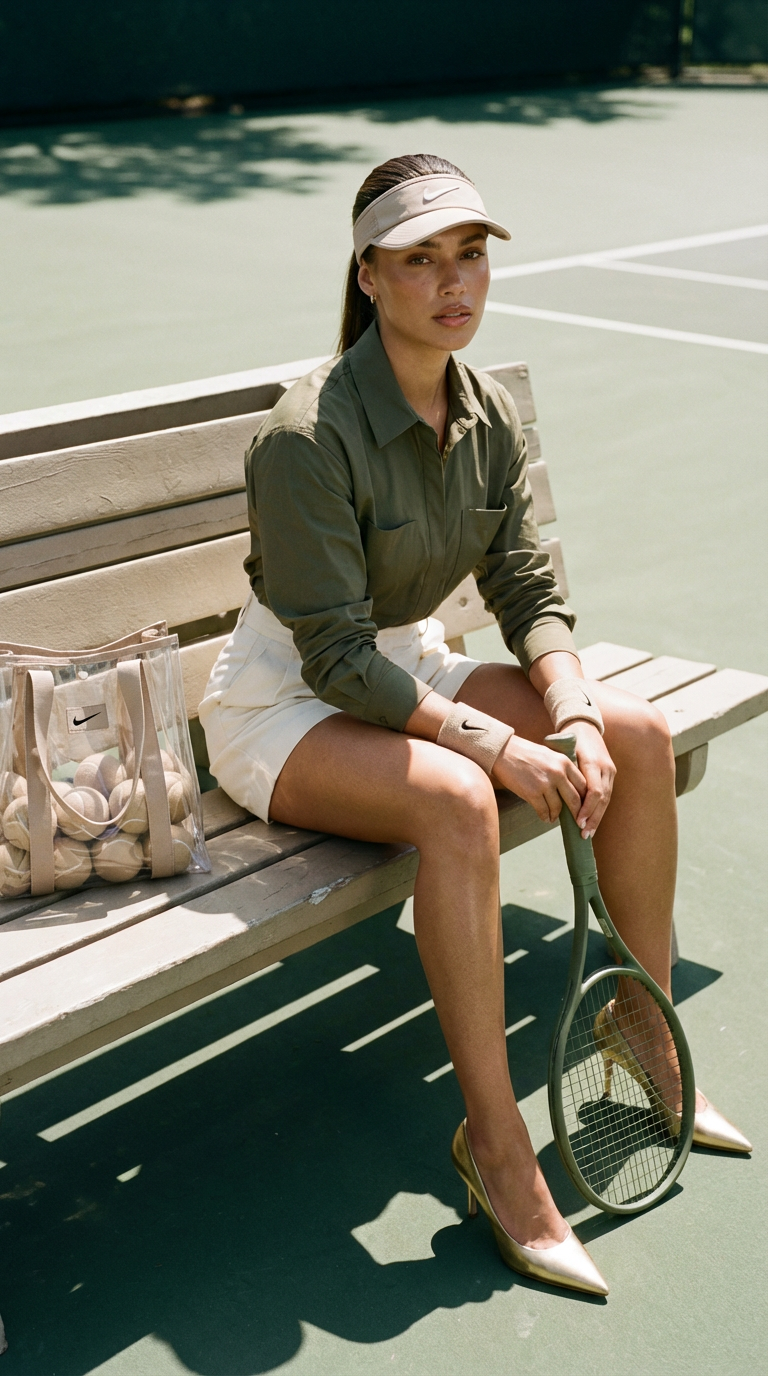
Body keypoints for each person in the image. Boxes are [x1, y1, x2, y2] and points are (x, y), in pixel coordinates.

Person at [199, 153, 751, 1297]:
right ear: (368, 274)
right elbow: (334, 655)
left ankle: (642, 1031)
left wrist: (573, 709)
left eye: (469, 254)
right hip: (284, 702)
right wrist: (494, 742)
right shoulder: (306, 435)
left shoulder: (482, 408)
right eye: (420, 260)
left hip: (406, 664)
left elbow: (525, 583)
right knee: (460, 798)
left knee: (638, 732)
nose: (454, 282)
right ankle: (497, 1150)